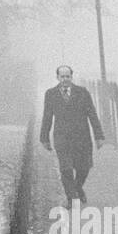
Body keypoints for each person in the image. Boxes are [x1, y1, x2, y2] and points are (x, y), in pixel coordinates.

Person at [40, 65, 104, 204]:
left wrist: (99, 136)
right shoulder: (50, 94)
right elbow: (47, 117)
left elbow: (92, 114)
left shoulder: (82, 93)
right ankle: (72, 198)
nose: (65, 79)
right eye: (62, 76)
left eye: (67, 76)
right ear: (57, 77)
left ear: (71, 77)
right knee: (66, 169)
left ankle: (78, 187)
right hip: (62, 139)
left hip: (82, 138)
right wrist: (44, 138)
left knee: (84, 168)